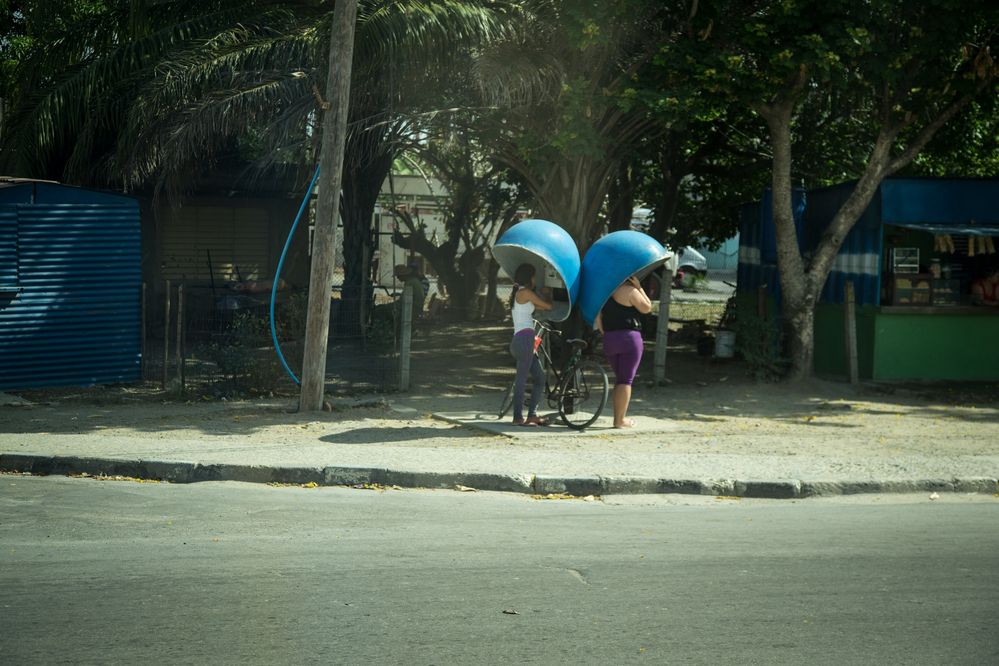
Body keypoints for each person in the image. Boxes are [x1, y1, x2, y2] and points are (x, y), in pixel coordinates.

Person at [595, 275, 653, 428]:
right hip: (629, 338)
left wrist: (606, 333)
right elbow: (647, 308)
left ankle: (618, 418)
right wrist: (640, 288)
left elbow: (599, 318)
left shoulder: (604, 293)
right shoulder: (630, 291)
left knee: (620, 379)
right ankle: (619, 420)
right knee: (626, 381)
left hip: (609, 339)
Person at [508, 263, 552, 426]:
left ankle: (531, 415)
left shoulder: (520, 293)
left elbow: (542, 306)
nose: (535, 279)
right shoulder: (525, 292)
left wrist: (543, 295)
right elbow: (548, 306)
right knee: (521, 379)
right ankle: (517, 417)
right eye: (534, 276)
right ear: (529, 277)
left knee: (540, 378)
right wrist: (548, 294)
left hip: (520, 340)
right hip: (525, 339)